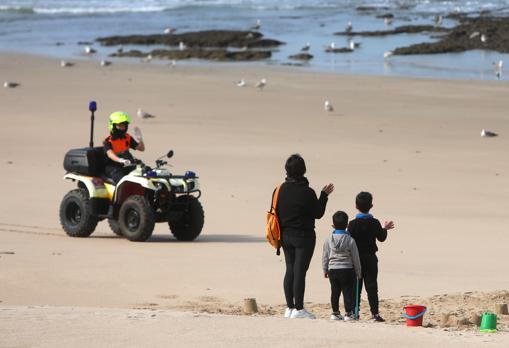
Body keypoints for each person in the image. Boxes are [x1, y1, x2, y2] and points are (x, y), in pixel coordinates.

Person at [276, 154, 334, 319]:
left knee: (290, 270)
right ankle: (299, 309)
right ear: (303, 170)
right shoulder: (307, 192)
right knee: (299, 272)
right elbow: (318, 213)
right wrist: (323, 196)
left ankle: (290, 308)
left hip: (284, 236)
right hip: (303, 237)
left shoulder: (279, 189)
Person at [348, 192, 394, 322]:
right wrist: (384, 229)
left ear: (356, 206)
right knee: (372, 286)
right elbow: (382, 238)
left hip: (356, 259)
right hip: (370, 259)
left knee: (356, 287)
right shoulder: (374, 223)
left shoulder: (352, 224)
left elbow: (348, 240)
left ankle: (355, 313)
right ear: (371, 206)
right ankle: (375, 313)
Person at [322, 211, 361, 321]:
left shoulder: (328, 239)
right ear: (347, 225)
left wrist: (325, 269)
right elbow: (355, 257)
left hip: (333, 269)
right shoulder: (350, 240)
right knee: (347, 291)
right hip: (347, 269)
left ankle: (335, 312)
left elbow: (325, 255)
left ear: (333, 225)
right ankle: (348, 313)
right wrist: (358, 272)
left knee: (335, 291)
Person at [103, 111, 145, 184]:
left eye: (124, 125)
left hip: (127, 163)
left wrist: (140, 140)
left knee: (144, 172)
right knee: (123, 181)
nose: (123, 127)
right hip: (113, 166)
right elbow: (110, 154)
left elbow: (141, 149)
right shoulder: (108, 141)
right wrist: (120, 160)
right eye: (120, 125)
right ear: (113, 126)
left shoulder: (127, 137)